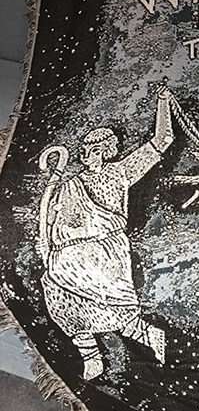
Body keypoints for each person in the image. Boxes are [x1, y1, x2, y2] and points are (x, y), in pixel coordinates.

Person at [38, 87, 174, 380]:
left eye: (92, 148)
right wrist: (47, 244)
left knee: (114, 307)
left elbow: (162, 141)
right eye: (85, 149)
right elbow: (51, 218)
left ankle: (150, 336)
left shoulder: (119, 172)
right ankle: (92, 357)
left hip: (104, 251)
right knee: (61, 300)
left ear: (104, 150)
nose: (85, 154)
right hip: (67, 255)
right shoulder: (71, 184)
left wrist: (163, 102)